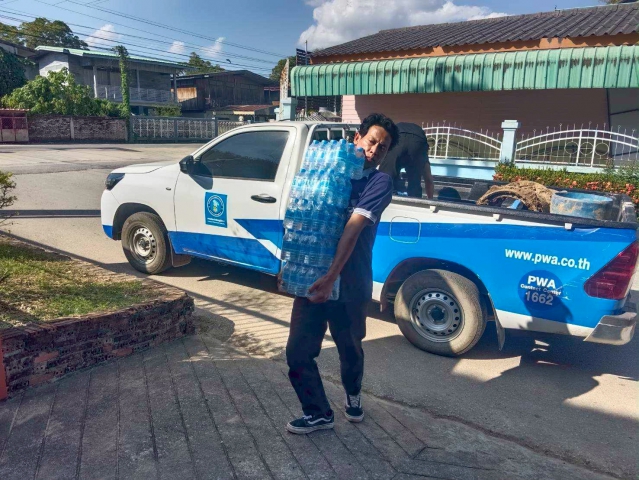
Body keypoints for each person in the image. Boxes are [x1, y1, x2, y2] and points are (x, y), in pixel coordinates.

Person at [285, 113, 399, 434]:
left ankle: (353, 393)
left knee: (349, 349)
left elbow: (353, 228)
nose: (375, 150)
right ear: (357, 139)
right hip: (313, 279)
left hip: (350, 283)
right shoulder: (328, 173)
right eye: (372, 141)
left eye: (383, 147)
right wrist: (289, 268)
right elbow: (301, 218)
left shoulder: (379, 183)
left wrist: (332, 277)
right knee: (297, 352)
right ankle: (319, 413)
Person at [378, 122, 434, 199]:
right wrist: (431, 201)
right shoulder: (421, 153)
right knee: (415, 181)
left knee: (386, 177)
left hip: (398, 135)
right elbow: (429, 180)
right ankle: (415, 201)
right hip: (417, 139)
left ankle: (386, 198)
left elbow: (380, 169)